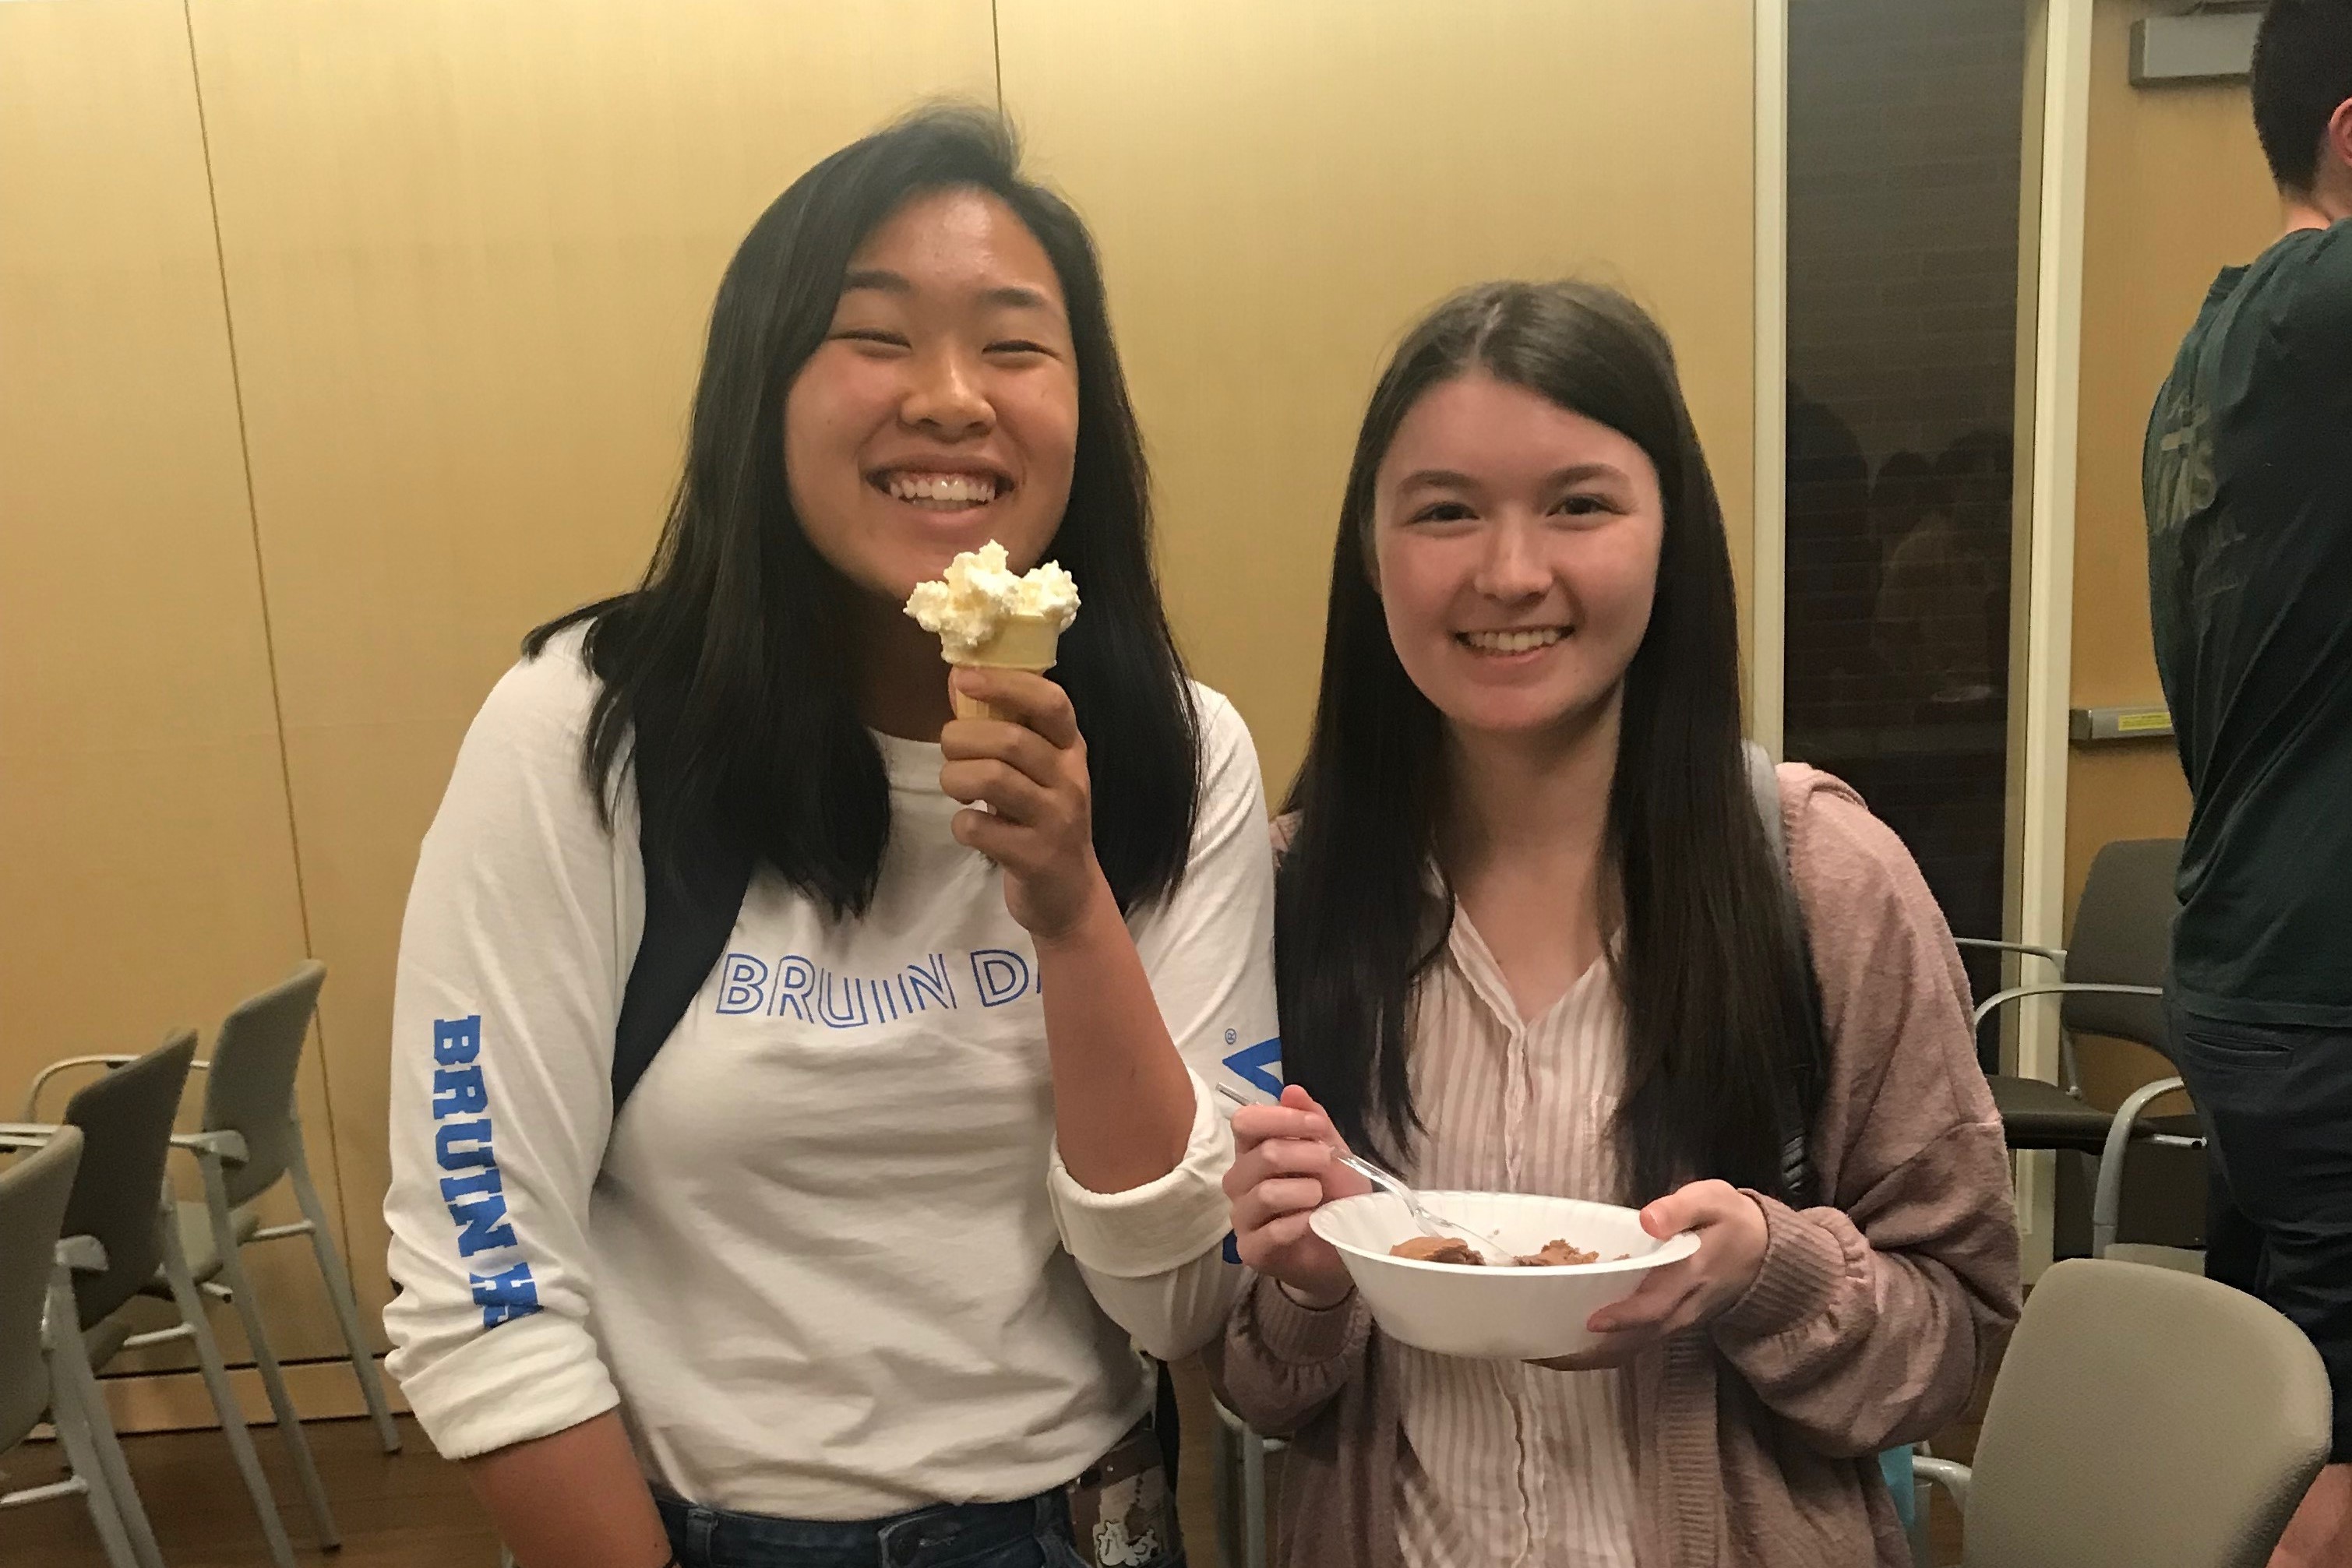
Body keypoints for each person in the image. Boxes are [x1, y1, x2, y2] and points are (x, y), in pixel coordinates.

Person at [381, 107, 1276, 1568]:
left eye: (1012, 343)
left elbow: (1184, 1302)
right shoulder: (588, 731)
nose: (948, 399)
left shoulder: (1183, 749)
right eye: (874, 336)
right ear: (761, 391)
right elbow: (482, 1287)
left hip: (1086, 1524)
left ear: (1084, 408)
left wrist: (1069, 907)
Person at [1212, 280, 2021, 1566]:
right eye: (1445, 512)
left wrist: (1769, 1267)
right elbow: (1256, 1386)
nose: (1510, 571)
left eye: (1579, 503)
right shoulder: (1288, 896)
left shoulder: (1822, 879)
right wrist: (1309, 1285)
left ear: (1670, 534)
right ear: (1373, 555)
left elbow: (1958, 1337)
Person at [2142, 3, 2352, 1561]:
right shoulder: (2323, 311)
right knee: (2325, 1484)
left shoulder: (2216, 350)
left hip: (2247, 973)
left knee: (2259, 1443)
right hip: (2324, 998)